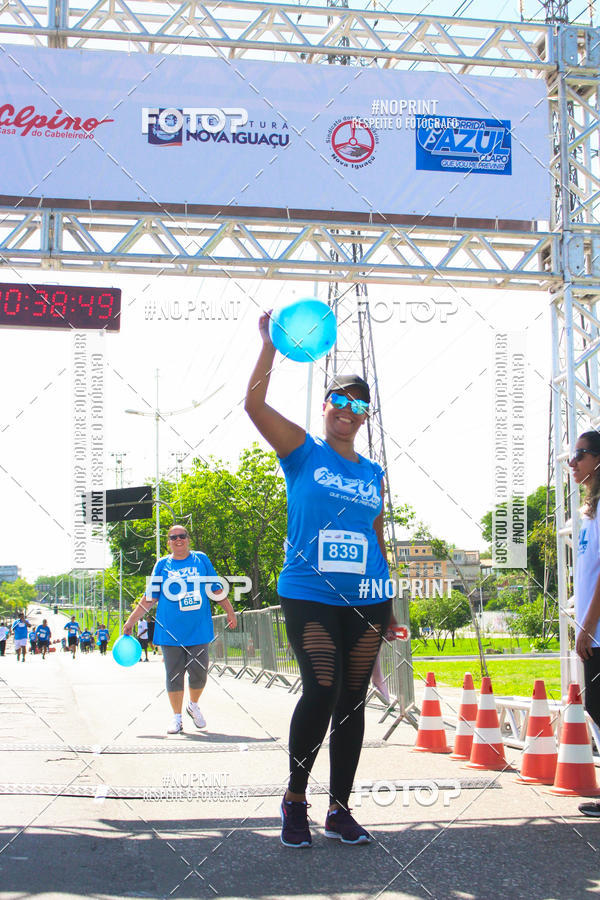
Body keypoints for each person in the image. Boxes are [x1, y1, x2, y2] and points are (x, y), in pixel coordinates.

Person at [245, 312, 396, 848]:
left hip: (366, 600)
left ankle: (339, 809)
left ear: (365, 417)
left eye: (361, 406)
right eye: (342, 401)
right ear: (326, 404)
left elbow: (376, 540)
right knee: (322, 689)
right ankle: (294, 800)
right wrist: (268, 345)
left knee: (353, 701)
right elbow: (255, 406)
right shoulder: (303, 451)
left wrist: (391, 606)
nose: (350, 412)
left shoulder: (373, 474)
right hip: (308, 594)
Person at [123, 525, 237, 735]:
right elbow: (150, 597)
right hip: (170, 629)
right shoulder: (162, 565)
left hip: (198, 628)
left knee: (199, 673)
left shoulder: (201, 560)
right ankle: (177, 718)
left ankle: (193, 705)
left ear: (188, 539)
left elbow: (216, 587)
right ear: (168, 542)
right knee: (174, 675)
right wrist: (131, 621)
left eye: (182, 536)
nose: (178, 540)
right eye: (173, 537)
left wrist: (229, 611)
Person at [569, 431, 600, 817]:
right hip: (593, 629)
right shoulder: (588, 513)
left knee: (599, 706)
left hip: (598, 631)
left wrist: (588, 626)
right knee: (596, 707)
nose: (572, 463)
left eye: (579, 455)